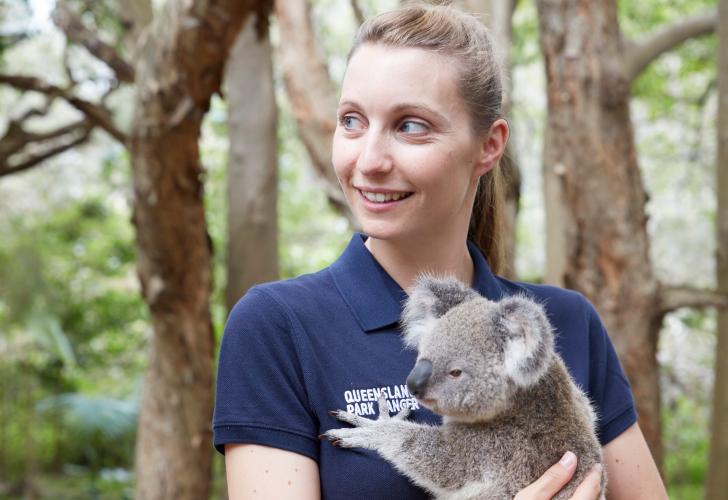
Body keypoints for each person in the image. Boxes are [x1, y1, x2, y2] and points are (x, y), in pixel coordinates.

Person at [212, 4, 668, 499]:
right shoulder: (278, 326)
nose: (369, 160)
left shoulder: (565, 324)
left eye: (410, 125)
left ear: (489, 146)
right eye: (352, 120)